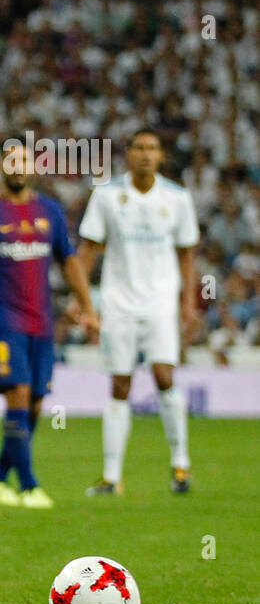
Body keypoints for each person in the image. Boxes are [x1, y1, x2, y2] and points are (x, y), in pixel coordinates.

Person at [0, 139, 98, 508]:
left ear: (34, 166)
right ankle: (29, 485)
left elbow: (70, 261)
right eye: (11, 160)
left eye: (25, 160)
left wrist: (87, 307)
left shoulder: (50, 211)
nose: (18, 166)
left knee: (35, 403)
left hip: (41, 323)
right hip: (3, 321)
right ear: (1, 165)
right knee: (18, 394)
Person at [76, 130, 200, 496]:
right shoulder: (108, 195)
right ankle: (112, 476)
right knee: (119, 384)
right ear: (128, 155)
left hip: (161, 299)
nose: (145, 155)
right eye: (139, 148)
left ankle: (181, 465)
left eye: (152, 148)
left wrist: (188, 302)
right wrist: (83, 302)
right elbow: (88, 250)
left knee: (164, 375)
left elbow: (187, 255)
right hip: (118, 301)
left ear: (161, 156)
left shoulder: (177, 198)